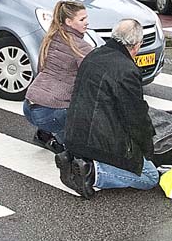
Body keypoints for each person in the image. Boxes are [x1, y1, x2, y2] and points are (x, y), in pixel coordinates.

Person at [55, 19, 159, 198]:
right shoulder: (127, 70)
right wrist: (147, 149)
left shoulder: (93, 55)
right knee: (150, 177)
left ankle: (74, 159)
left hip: (74, 134)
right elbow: (135, 118)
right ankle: (93, 172)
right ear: (137, 45)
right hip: (99, 139)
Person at [23, 0, 93, 153]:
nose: (87, 22)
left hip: (28, 106)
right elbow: (91, 81)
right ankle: (66, 145)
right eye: (82, 19)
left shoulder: (51, 37)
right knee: (88, 113)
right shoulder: (81, 47)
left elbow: (40, 68)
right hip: (48, 113)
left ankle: (44, 134)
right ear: (69, 21)